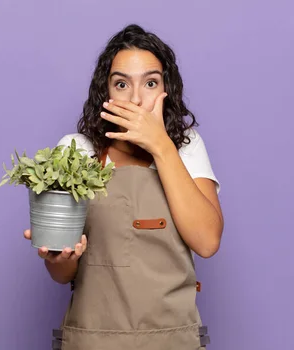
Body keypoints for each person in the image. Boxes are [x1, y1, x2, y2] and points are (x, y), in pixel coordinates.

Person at [23, 24, 224, 350]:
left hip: (172, 340)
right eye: (121, 84)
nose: (135, 99)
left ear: (166, 89)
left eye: (150, 83)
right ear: (106, 93)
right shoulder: (77, 150)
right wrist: (58, 259)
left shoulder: (185, 148)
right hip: (92, 339)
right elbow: (63, 274)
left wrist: (161, 146)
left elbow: (207, 241)